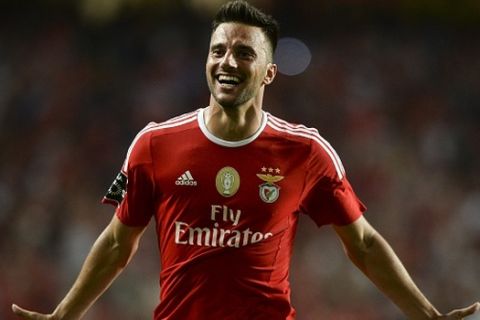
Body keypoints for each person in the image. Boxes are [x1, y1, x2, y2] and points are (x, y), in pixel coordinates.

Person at [11, 1, 480, 319]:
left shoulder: (306, 151)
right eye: (218, 50)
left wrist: (426, 314)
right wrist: (63, 315)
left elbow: (364, 244)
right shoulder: (154, 144)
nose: (227, 62)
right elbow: (117, 244)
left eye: (243, 53)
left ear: (269, 72)